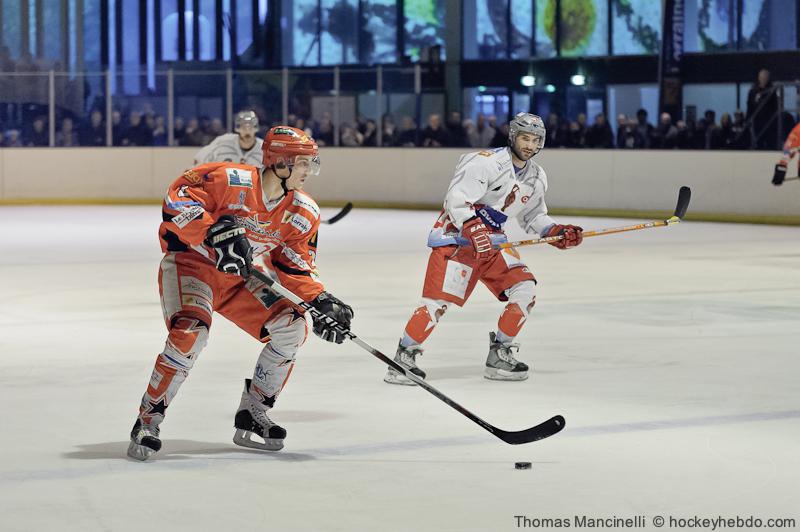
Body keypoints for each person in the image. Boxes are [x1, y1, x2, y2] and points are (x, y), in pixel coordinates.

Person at [127, 126, 354, 460]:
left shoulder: (304, 212)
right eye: (303, 162)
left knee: (292, 327)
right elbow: (177, 198)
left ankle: (254, 412)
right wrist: (210, 231)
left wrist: (319, 299)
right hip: (192, 266)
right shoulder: (230, 179)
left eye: (310, 163)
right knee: (191, 333)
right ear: (280, 162)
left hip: (240, 278)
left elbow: (294, 266)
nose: (309, 170)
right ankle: (148, 421)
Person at [384, 113, 583, 385]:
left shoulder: (537, 177)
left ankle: (500, 354)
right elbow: (457, 199)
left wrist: (555, 231)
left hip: (493, 244)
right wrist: (472, 226)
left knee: (524, 287)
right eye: (525, 138)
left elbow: (534, 215)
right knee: (437, 303)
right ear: (513, 136)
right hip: (457, 240)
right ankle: (402, 359)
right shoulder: (485, 162)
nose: (529, 145)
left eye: (535, 140)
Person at [193, 110, 264, 166]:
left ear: (256, 128)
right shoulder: (223, 141)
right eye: (244, 127)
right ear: (237, 128)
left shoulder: (264, 149)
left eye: (250, 127)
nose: (247, 131)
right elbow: (199, 159)